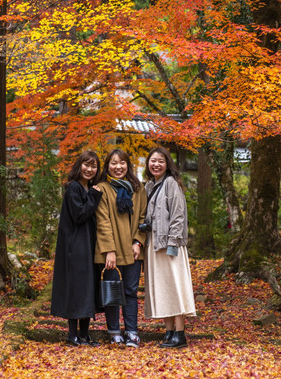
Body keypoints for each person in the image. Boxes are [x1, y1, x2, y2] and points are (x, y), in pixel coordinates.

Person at [143, 146, 195, 348]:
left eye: (161, 161)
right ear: (148, 164)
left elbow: (178, 215)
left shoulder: (171, 183)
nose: (156, 164)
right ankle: (169, 331)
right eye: (153, 160)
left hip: (170, 245)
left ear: (167, 164)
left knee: (175, 287)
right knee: (162, 288)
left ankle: (180, 333)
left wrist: (173, 243)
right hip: (154, 245)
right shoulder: (149, 186)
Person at [94, 148, 147, 347]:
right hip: (112, 251)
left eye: (122, 163)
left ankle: (132, 331)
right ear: (107, 166)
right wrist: (109, 250)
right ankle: (114, 331)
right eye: (113, 163)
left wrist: (138, 241)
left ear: (128, 165)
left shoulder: (138, 188)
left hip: (133, 250)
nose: (118, 167)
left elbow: (143, 217)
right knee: (113, 291)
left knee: (131, 291)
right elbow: (103, 221)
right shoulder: (102, 188)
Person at [51, 151, 103, 346]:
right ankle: (72, 335)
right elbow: (80, 215)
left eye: (94, 166)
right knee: (76, 288)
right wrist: (94, 196)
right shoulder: (73, 188)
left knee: (88, 287)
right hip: (75, 246)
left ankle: (85, 334)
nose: (90, 169)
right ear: (79, 165)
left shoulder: (89, 188)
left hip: (88, 244)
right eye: (86, 165)